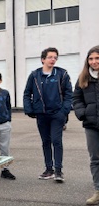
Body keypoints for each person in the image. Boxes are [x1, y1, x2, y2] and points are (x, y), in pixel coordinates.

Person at [23, 47, 72, 182]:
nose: (53, 60)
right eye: (50, 57)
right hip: (41, 114)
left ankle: (58, 171)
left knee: (56, 141)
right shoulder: (34, 75)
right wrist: (29, 109)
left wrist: (64, 110)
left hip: (57, 114)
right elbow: (27, 93)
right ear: (43, 59)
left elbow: (69, 93)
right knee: (46, 142)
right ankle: (49, 169)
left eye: (55, 57)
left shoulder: (62, 74)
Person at [72, 45, 99, 204]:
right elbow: (76, 98)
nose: (94, 61)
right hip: (91, 125)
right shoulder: (83, 78)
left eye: (97, 58)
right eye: (91, 59)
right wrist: (82, 113)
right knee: (95, 159)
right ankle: (98, 190)